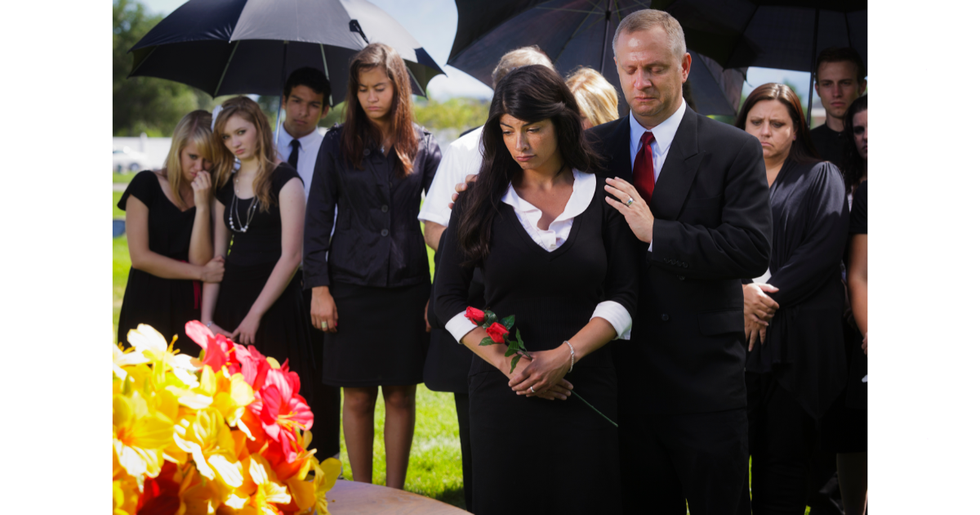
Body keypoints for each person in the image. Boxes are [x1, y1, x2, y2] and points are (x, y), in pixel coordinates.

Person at [434, 64, 639, 515]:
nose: (520, 145)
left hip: (586, 390)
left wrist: (563, 357)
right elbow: (447, 299)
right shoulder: (477, 201)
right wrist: (519, 367)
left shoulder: (605, 195)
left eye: (533, 129)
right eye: (507, 131)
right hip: (503, 395)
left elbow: (624, 296)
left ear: (561, 122)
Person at [594, 10, 772, 514]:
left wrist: (658, 234)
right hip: (622, 380)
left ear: (685, 65)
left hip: (704, 387)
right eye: (629, 70)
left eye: (654, 67)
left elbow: (751, 249)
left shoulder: (733, 149)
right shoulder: (593, 148)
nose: (641, 81)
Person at [418, 45, 554, 511]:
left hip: (553, 320)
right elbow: (436, 224)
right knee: (483, 435)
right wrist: (481, 257)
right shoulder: (464, 150)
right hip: (484, 308)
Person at [303, 42, 441, 489]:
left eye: (379, 87)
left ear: (398, 88)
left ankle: (395, 496)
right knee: (357, 396)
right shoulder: (335, 144)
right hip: (350, 287)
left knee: (401, 394)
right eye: (362, 89)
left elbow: (445, 224)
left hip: (408, 288)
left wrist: (439, 294)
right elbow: (318, 218)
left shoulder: (425, 147)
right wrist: (318, 287)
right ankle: (363, 495)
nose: (370, 97)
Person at [733, 83, 850, 515]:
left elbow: (822, 251)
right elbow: (710, 245)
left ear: (796, 129)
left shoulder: (821, 176)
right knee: (726, 461)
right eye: (756, 122)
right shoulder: (725, 178)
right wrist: (739, 295)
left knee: (783, 466)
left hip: (796, 344)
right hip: (735, 341)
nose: (765, 131)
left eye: (777, 124)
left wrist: (760, 299)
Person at [201, 96, 317, 406]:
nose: (234, 142)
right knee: (233, 403)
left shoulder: (287, 180)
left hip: (274, 304)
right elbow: (217, 258)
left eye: (241, 132)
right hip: (231, 301)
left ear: (259, 127)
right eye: (226, 136)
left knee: (274, 400)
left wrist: (255, 315)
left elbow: (292, 256)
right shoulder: (224, 184)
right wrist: (208, 321)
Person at [275, 66, 342, 464]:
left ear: (326, 109)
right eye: (296, 101)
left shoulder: (333, 149)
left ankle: (323, 460)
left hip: (319, 276)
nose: (303, 111)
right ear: (283, 101)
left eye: (313, 105)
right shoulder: (259, 144)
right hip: (268, 275)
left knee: (320, 376)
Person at [117, 110, 225, 345]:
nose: (200, 166)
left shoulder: (212, 194)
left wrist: (203, 206)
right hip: (147, 299)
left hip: (189, 306)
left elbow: (200, 259)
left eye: (208, 159)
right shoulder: (146, 184)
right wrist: (202, 274)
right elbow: (140, 257)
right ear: (178, 151)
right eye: (193, 156)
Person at [820, 96, 868, 515]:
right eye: (858, 130)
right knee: (852, 430)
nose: (867, 137)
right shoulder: (851, 186)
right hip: (851, 322)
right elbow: (856, 269)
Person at [809, 47, 867, 170]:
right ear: (817, 90)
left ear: (862, 87)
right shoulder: (804, 147)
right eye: (827, 84)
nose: (836, 93)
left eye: (845, 83)